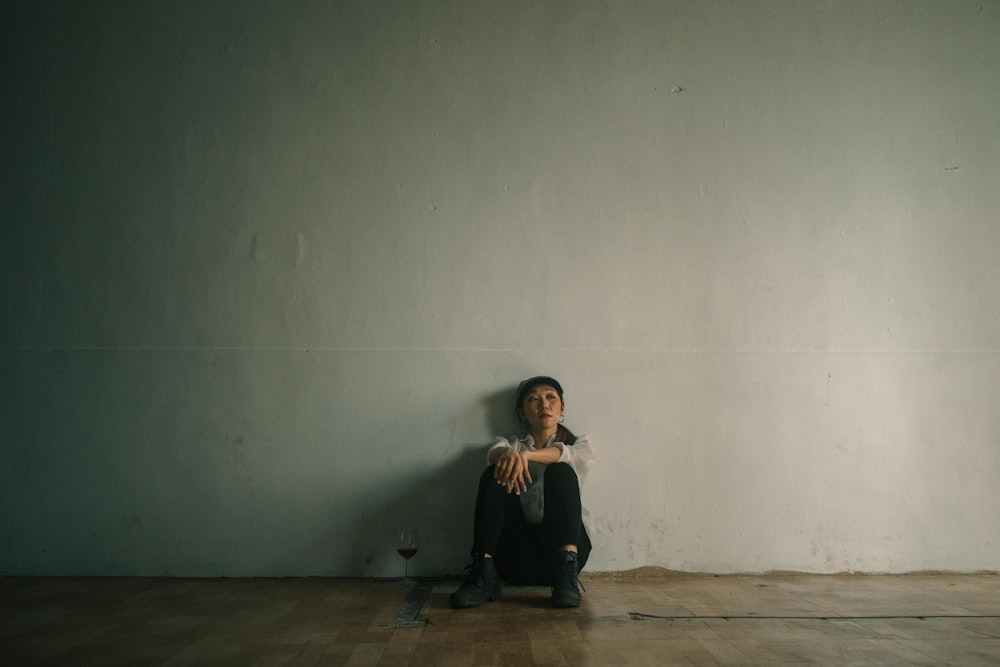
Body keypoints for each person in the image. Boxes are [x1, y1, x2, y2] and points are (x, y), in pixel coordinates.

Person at [449, 376, 596, 609]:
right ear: (521, 412)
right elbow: (496, 452)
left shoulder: (580, 445)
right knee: (494, 473)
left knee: (561, 472)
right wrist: (508, 455)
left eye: (550, 397)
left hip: (560, 556)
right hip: (515, 559)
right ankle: (483, 574)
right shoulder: (510, 445)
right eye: (533, 399)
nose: (544, 405)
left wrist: (525, 456)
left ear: (562, 407)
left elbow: (562, 454)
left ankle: (567, 574)